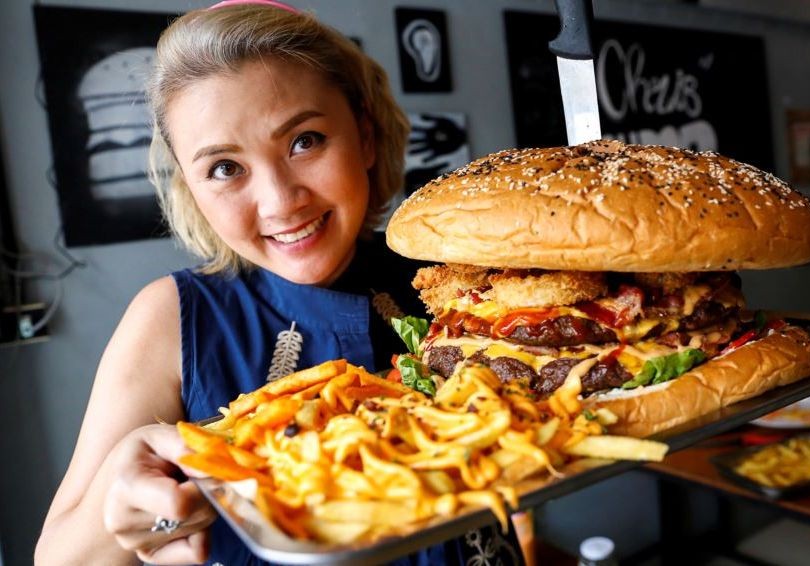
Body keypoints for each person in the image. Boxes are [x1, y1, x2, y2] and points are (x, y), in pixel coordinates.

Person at [35, 2, 523, 565]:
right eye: (224, 168)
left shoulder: (452, 274)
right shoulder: (171, 317)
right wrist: (127, 491)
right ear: (191, 187)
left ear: (364, 135)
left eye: (305, 140)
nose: (280, 202)